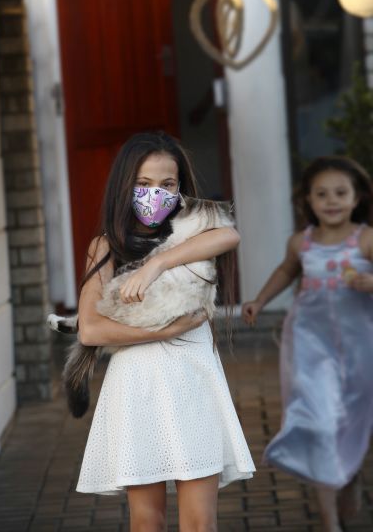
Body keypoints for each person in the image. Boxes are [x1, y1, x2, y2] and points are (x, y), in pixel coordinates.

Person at [76, 132, 255, 532]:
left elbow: (230, 234)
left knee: (199, 523)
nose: (155, 194)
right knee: (147, 520)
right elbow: (89, 329)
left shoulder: (197, 234)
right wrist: (166, 330)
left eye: (167, 185)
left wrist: (154, 265)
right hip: (137, 387)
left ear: (180, 189)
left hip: (193, 383)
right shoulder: (105, 246)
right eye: (143, 184)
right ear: (124, 185)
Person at [242, 156, 373, 532]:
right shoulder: (301, 242)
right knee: (320, 423)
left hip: (360, 347)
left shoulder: (365, 239)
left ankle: (349, 473)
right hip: (310, 346)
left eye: (340, 193)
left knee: (351, 421)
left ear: (357, 197)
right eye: (321, 194)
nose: (331, 201)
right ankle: (330, 522)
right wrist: (260, 300)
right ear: (308, 201)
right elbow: (287, 270)